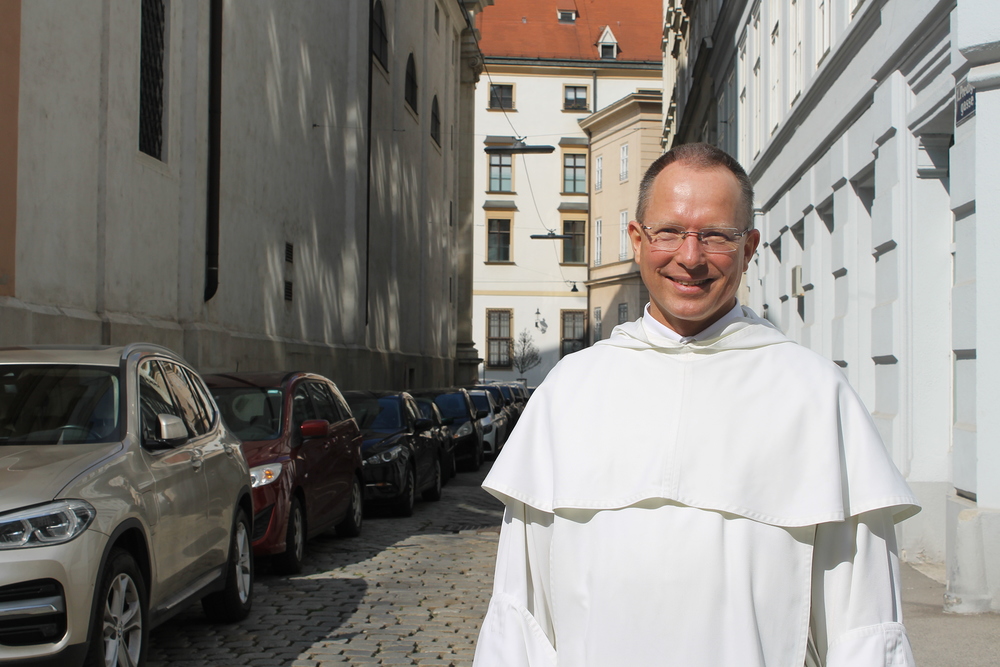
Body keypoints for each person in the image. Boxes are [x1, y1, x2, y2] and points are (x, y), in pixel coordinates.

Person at [473, 143, 919, 667]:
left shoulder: (817, 396)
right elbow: (520, 618)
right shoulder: (569, 392)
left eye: (716, 236)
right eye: (668, 232)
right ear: (637, 241)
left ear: (749, 247)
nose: (690, 257)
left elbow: (863, 626)